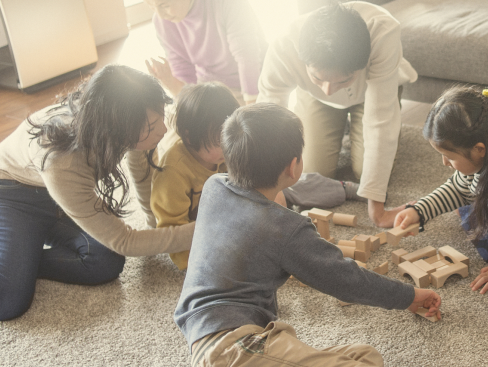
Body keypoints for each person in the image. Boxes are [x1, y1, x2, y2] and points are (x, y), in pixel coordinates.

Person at [175, 103, 443, 367]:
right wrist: (409, 295)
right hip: (235, 360)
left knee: (363, 358)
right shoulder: (283, 229)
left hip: (217, 355)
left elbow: (266, 205)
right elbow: (345, 280)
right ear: (294, 166)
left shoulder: (214, 186)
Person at [0, 65, 192, 322]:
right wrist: (199, 229)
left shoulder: (110, 116)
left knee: (105, 263)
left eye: (160, 119)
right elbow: (125, 240)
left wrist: (156, 224)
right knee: (2, 301)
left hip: (61, 199)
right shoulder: (61, 161)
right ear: (117, 126)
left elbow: (139, 163)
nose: (164, 129)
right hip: (11, 195)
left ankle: (17, 265)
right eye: (153, 126)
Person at [152, 81, 360, 270]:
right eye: (218, 142)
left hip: (242, 205)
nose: (227, 148)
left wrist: (273, 196)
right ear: (189, 137)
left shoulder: (227, 147)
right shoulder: (172, 172)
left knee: (291, 180)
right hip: (212, 232)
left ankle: (342, 188)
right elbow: (172, 232)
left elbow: (257, 179)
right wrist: (195, 264)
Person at [257, 2, 417, 227]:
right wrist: (269, 185)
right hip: (313, 99)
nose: (329, 90)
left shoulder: (384, 32)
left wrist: (377, 210)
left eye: (342, 80)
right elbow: (267, 117)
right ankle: (342, 123)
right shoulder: (284, 45)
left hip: (370, 93)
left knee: (366, 174)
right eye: (317, 77)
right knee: (309, 171)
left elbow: (381, 118)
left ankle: (354, 125)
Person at [393, 85, 488, 294]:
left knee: (487, 242)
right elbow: (458, 187)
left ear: (479, 150)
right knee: (473, 206)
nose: (444, 163)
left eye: (450, 157)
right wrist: (420, 210)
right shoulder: (486, 146)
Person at [130, 0, 267, 102]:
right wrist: (172, 84)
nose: (160, 15)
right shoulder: (162, 22)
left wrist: (252, 104)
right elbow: (185, 76)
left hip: (255, 80)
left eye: (164, 5)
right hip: (212, 88)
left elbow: (247, 56)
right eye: (151, 6)